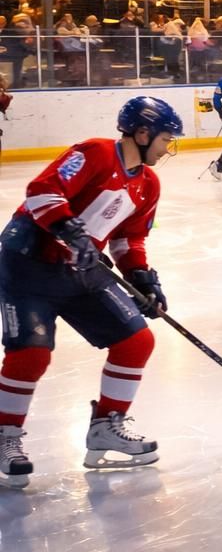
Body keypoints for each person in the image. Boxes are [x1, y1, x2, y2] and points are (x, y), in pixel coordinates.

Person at [0, 97, 181, 488]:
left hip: (81, 270)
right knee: (30, 355)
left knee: (136, 341)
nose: (169, 149)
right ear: (142, 132)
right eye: (166, 139)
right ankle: (5, 434)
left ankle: (106, 427)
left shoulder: (148, 184)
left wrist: (142, 276)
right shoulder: (96, 153)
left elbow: (129, 237)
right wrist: (70, 231)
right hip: (29, 264)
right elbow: (42, 191)